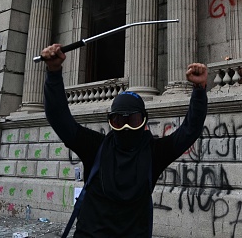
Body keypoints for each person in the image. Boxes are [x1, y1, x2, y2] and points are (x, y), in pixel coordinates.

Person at [41, 43, 208, 237]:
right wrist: (53, 72)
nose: (127, 128)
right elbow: (60, 119)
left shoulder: (154, 152)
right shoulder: (96, 147)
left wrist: (199, 89)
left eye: (133, 120)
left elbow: (189, 130)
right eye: (119, 121)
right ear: (110, 122)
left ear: (144, 121)